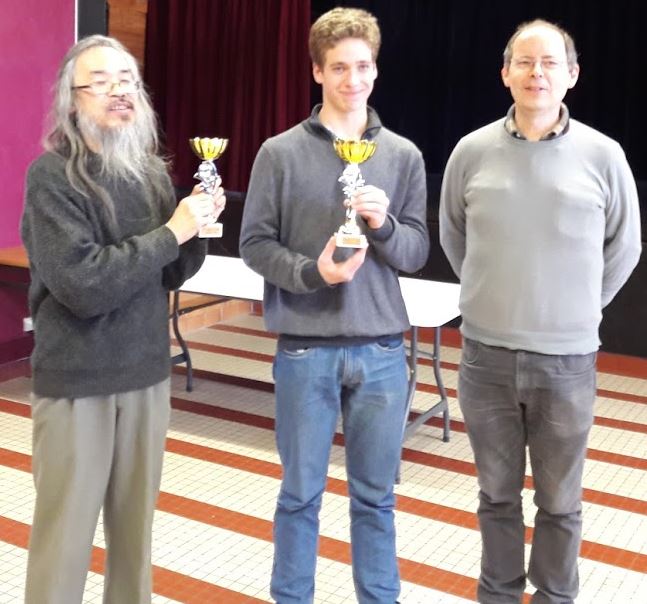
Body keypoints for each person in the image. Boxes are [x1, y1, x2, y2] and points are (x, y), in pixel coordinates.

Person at [439, 19, 641, 604]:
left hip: (567, 362)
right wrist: (492, 292)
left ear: (572, 75)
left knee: (560, 503)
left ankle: (555, 597)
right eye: (525, 62)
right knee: (495, 497)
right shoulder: (470, 151)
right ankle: (498, 595)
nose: (537, 73)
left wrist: (579, 307)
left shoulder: (604, 155)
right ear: (505, 73)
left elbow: (625, 246)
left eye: (550, 62)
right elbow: (454, 236)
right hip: (486, 359)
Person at [21, 35, 225, 603]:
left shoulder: (149, 173)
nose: (119, 91)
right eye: (101, 81)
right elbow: (83, 285)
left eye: (128, 80)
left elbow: (170, 270)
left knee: (135, 543)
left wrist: (198, 227)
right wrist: (172, 231)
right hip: (77, 383)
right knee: (64, 543)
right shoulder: (52, 177)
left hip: (146, 376)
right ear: (72, 100)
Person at [240, 7, 429, 603]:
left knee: (376, 499)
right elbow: (254, 244)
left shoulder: (403, 155)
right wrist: (311, 273)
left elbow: (416, 252)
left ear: (376, 69)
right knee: (299, 497)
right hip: (305, 349)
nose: (354, 79)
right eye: (340, 67)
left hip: (381, 351)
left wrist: (383, 225)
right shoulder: (279, 153)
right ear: (317, 71)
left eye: (363, 66)